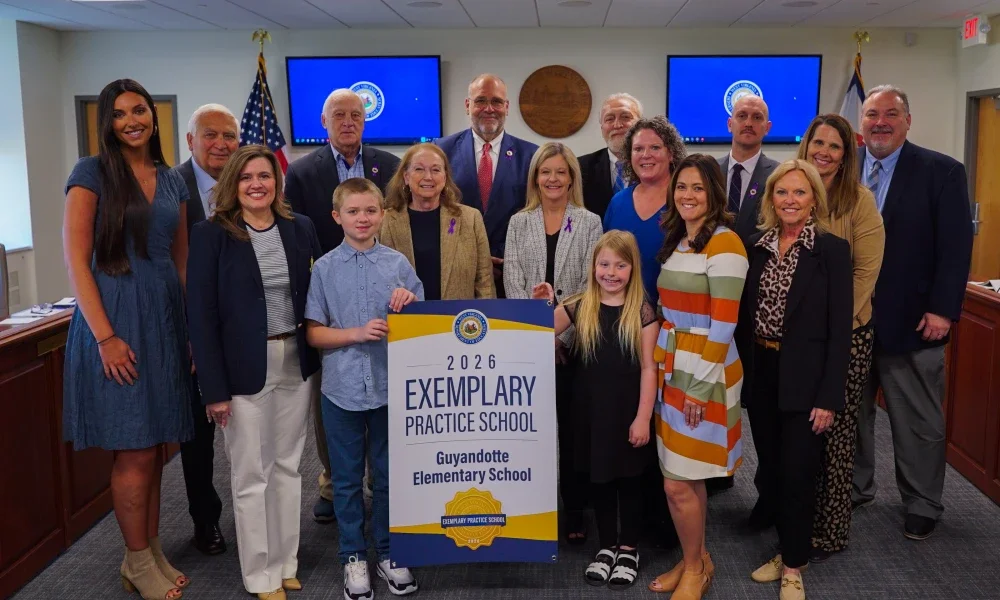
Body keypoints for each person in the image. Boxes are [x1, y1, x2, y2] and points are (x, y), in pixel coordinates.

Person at [62, 78, 192, 600]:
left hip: (163, 319)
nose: (132, 120)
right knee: (134, 449)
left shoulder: (172, 179)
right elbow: (76, 260)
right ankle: (137, 561)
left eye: (140, 110)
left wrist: (189, 333)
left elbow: (180, 260)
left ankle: (148, 548)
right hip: (114, 318)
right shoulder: (90, 173)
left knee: (157, 444)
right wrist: (106, 337)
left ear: (154, 117)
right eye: (119, 114)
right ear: (107, 124)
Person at [187, 145, 322, 600]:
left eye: (265, 176)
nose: (257, 184)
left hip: (294, 361)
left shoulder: (299, 228)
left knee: (287, 468)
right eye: (246, 178)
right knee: (251, 474)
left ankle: (286, 563)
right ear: (233, 185)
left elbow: (318, 293)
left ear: (277, 182)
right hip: (241, 370)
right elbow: (201, 317)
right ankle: (259, 574)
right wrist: (213, 389)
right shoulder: (210, 235)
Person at [852, 85, 974, 541]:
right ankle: (855, 487)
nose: (879, 122)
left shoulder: (941, 171)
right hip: (854, 320)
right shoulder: (847, 171)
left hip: (915, 320)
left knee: (917, 419)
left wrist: (943, 310)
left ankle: (922, 501)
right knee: (853, 414)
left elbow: (956, 247)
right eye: (871, 114)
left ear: (907, 120)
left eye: (890, 114)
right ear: (861, 122)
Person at [284, 88, 400, 522]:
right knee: (330, 394)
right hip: (327, 290)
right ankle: (333, 482)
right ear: (323, 121)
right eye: (339, 115)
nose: (348, 121)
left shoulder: (388, 166)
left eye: (356, 114)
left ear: (365, 120)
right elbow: (295, 232)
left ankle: (379, 482)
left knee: (383, 389)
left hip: (378, 288)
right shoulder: (300, 172)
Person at [737, 160, 852, 600]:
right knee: (774, 471)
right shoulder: (756, 246)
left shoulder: (832, 251)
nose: (790, 200)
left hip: (807, 379)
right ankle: (785, 548)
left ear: (814, 200)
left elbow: (841, 330)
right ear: (770, 198)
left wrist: (829, 396)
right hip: (763, 373)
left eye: (800, 193)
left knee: (800, 474)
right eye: (782, 192)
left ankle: (793, 567)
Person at [305, 178, 423, 600]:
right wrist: (355, 333)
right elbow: (314, 334)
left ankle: (390, 552)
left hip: (391, 388)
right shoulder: (323, 268)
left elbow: (421, 317)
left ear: (382, 214)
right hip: (342, 390)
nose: (362, 218)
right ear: (337, 217)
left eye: (370, 211)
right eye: (353, 212)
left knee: (390, 476)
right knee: (347, 478)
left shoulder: (397, 263)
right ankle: (353, 555)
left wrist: (409, 299)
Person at [646, 154, 748, 600]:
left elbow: (725, 325)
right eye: (682, 187)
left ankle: (695, 569)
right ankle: (696, 559)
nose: (687, 195)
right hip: (673, 362)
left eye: (698, 188)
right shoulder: (680, 241)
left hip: (707, 369)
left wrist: (699, 385)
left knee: (677, 482)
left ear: (714, 195)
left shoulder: (726, 244)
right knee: (685, 475)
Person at [533, 230, 658, 590]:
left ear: (633, 269)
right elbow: (533, 330)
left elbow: (650, 368)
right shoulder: (580, 305)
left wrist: (643, 417)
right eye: (604, 264)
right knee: (600, 480)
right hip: (591, 413)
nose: (611, 272)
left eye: (620, 265)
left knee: (630, 482)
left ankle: (629, 548)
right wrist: (540, 304)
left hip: (629, 412)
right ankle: (606, 548)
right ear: (593, 266)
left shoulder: (643, 312)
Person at [504, 142, 602, 544]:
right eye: (546, 172)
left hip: (575, 344)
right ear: (535, 178)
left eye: (561, 172)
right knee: (532, 431)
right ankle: (531, 508)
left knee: (574, 432)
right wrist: (536, 336)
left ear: (572, 178)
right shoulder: (518, 222)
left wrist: (560, 334)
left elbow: (592, 285)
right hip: (528, 347)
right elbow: (511, 280)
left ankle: (575, 510)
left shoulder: (590, 221)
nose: (553, 179)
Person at [796, 114, 884, 561]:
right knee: (798, 430)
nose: (824, 152)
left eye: (835, 146)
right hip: (797, 339)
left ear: (847, 155)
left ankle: (828, 531)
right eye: (818, 143)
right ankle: (794, 519)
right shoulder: (793, 192)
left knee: (834, 432)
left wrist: (829, 327)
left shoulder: (859, 201)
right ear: (806, 145)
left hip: (846, 336)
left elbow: (866, 272)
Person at [171, 102, 240, 557]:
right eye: (210, 135)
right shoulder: (167, 186)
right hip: (187, 332)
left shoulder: (251, 183)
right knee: (198, 434)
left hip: (240, 329)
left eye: (229, 136)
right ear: (191, 141)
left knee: (251, 429)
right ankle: (205, 519)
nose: (221, 144)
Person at [436, 73, 539, 295]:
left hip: (512, 274)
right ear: (467, 105)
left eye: (497, 102)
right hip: (457, 271)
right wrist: (475, 258)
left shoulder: (531, 156)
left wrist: (503, 257)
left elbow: (534, 216)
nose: (489, 108)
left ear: (507, 107)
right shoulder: (441, 151)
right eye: (481, 100)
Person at [380, 143, 495, 300]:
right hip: (404, 319)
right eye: (419, 169)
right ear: (406, 177)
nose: (428, 177)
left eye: (435, 170)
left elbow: (485, 281)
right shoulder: (384, 220)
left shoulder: (471, 218)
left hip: (457, 320)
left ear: (445, 177)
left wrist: (486, 320)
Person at [603, 116, 688, 303]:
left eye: (655, 148)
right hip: (622, 314)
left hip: (672, 316)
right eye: (638, 149)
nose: (645, 155)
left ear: (671, 153)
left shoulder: (685, 201)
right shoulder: (618, 202)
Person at [717, 95, 779, 244]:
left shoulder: (778, 174)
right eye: (742, 116)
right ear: (730, 124)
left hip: (759, 263)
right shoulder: (710, 171)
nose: (749, 123)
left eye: (757, 117)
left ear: (767, 128)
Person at [577, 93, 643, 218]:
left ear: (640, 124)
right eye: (609, 119)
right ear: (602, 127)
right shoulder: (580, 168)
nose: (617, 125)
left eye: (625, 117)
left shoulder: (653, 166)